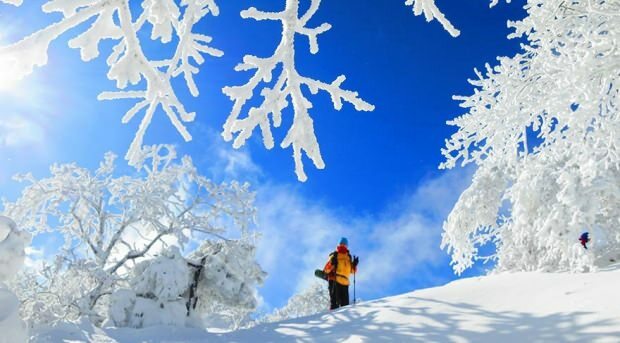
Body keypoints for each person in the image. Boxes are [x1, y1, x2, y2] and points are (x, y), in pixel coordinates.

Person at [323, 237, 359, 310]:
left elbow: (352, 271)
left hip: (345, 283)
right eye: (341, 244)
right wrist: (332, 263)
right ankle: (333, 320)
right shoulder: (334, 255)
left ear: (347, 246)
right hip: (334, 280)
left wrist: (354, 265)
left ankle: (344, 321)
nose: (343, 245)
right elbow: (326, 270)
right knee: (335, 305)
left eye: (344, 244)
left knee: (345, 307)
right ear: (338, 244)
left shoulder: (348, 257)